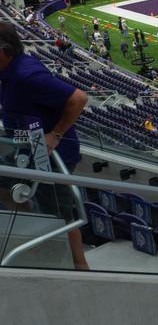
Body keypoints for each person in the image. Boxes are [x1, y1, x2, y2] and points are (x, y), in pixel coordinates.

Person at [0, 22, 91, 269]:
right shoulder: (9, 71)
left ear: (3, 51)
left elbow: (79, 98)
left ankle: (81, 269)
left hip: (51, 154)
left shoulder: (26, 75)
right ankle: (35, 229)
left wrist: (56, 134)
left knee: (62, 215)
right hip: (27, 149)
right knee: (6, 184)